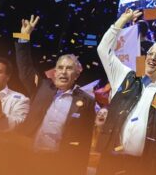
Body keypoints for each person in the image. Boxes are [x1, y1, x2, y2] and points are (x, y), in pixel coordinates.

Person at [96, 8, 156, 175]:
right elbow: (103, 50)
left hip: (142, 166)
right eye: (150, 53)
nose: (152, 58)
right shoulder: (125, 76)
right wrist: (122, 21)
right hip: (111, 159)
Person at [15, 15, 96, 174]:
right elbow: (25, 69)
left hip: (59, 164)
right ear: (55, 71)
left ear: (76, 74)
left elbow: (85, 139)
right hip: (27, 157)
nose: (63, 72)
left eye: (69, 68)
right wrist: (23, 37)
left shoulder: (87, 101)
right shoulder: (42, 87)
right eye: (60, 67)